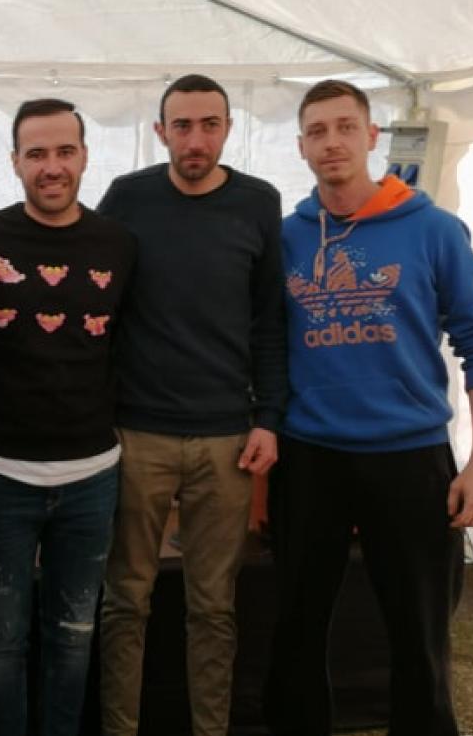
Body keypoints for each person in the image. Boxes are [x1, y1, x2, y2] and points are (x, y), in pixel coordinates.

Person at [264, 79, 473, 736]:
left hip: (409, 458)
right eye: (317, 131)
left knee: (419, 638)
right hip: (310, 458)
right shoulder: (285, 238)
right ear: (301, 147)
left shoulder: (432, 230)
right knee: (295, 633)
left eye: (345, 127)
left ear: (372, 137)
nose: (332, 142)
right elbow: (263, 347)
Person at [97, 73, 288, 736]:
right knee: (126, 601)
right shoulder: (128, 198)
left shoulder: (260, 203)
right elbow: (103, 307)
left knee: (214, 607)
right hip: (138, 434)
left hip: (226, 440)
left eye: (210, 124)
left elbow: (270, 323)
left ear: (228, 130)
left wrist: (268, 419)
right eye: (183, 126)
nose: (196, 139)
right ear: (161, 132)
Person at [0, 98, 135, 736]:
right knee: (1, 639)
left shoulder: (119, 243)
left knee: (73, 635)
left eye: (65, 151)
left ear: (85, 156)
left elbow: (129, 347)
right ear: (14, 162)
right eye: (37, 153)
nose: (52, 166)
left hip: (92, 477)